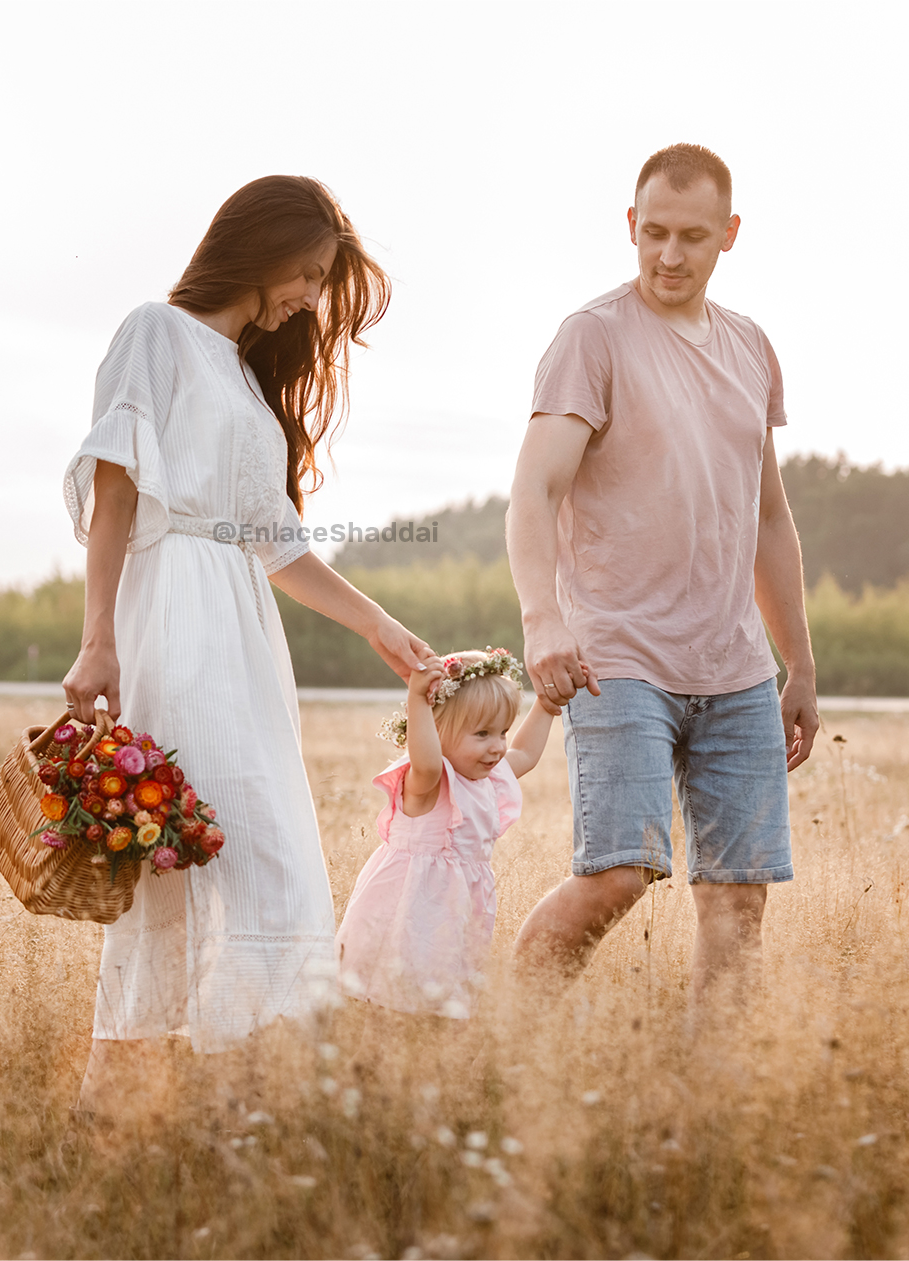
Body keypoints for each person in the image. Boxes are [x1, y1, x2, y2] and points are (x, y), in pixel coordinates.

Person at [60, 176, 435, 1096]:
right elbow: (113, 498)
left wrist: (378, 623)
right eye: (307, 273)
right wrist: (97, 638)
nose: (312, 297)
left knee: (247, 858)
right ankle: (174, 1108)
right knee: (213, 855)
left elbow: (275, 546)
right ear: (259, 247)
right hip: (174, 616)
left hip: (241, 632)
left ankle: (211, 1109)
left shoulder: (240, 373)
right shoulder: (157, 332)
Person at [506, 143, 820, 1010]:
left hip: (737, 670)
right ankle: (506, 1050)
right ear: (630, 226)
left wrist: (798, 662)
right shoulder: (593, 338)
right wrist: (543, 619)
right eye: (653, 234)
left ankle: (702, 1102)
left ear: (730, 234)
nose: (669, 256)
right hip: (619, 656)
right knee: (617, 873)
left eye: (691, 236)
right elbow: (533, 489)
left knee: (737, 899)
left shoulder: (752, 347)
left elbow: (767, 516)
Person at [335, 649, 554, 1018]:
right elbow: (425, 758)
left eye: (501, 731)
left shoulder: (489, 776)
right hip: (410, 906)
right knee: (394, 993)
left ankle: (431, 1048)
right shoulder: (428, 781)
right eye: (482, 733)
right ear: (436, 732)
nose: (498, 745)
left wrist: (547, 706)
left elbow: (525, 753)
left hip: (456, 910)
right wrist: (418, 700)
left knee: (445, 997)